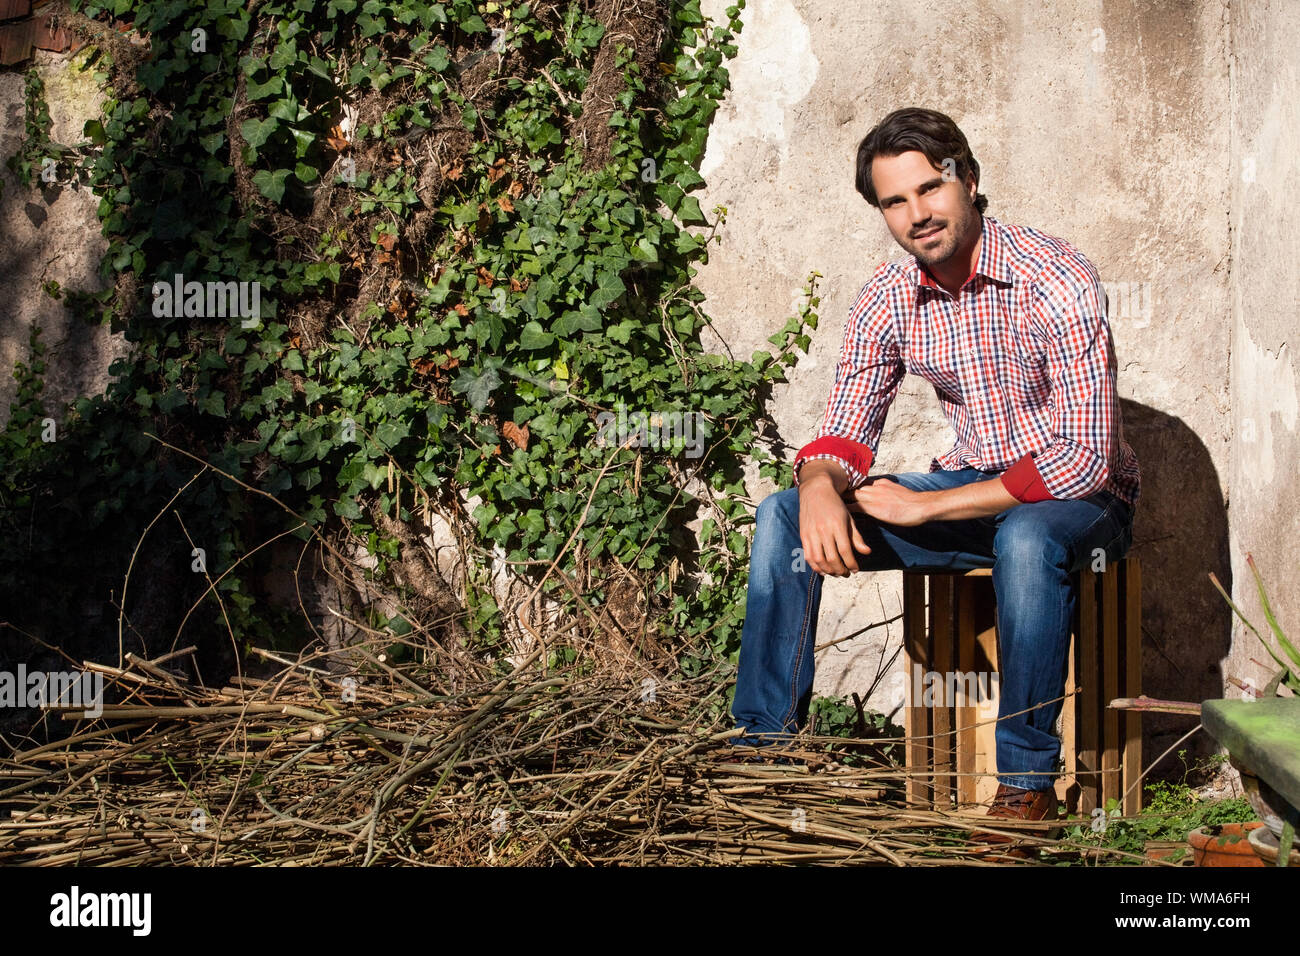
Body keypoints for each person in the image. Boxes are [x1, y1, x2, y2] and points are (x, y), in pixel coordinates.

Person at [729, 107, 1140, 850]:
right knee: (784, 514)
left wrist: (931, 508)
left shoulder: (1055, 275)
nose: (917, 214)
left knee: (1026, 535)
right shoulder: (887, 298)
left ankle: (1024, 788)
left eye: (930, 189)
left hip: (1082, 503)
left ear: (969, 181)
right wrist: (820, 484)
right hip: (976, 490)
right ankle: (765, 757)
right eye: (895, 201)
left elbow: (1084, 459)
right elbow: (847, 428)